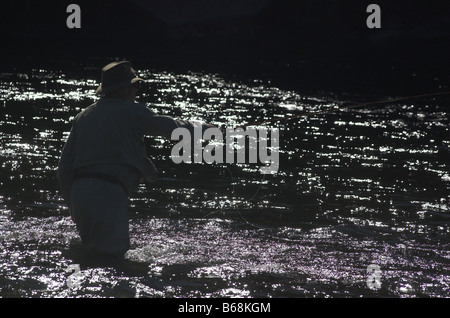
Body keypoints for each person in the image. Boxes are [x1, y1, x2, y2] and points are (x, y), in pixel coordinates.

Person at [57, 61, 210, 260]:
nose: (136, 91)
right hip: (109, 194)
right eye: (135, 86)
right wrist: (206, 129)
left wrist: (72, 204)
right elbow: (170, 127)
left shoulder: (83, 116)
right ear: (123, 89)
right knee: (113, 262)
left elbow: (63, 169)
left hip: (79, 194)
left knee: (89, 256)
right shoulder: (131, 111)